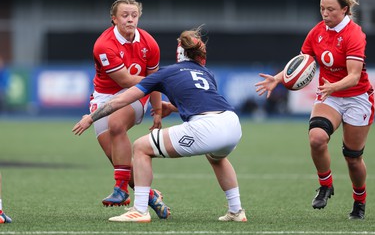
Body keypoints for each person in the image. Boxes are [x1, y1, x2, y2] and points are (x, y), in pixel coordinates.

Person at [73, 26, 247, 223]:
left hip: (206, 127)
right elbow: (200, 101)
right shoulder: (207, 74)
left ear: (179, 52)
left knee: (140, 147)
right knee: (217, 159)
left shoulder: (166, 72)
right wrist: (171, 108)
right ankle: (236, 210)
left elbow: (121, 100)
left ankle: (139, 210)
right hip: (231, 123)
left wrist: (91, 117)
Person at [255, 0, 374, 220]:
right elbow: (301, 63)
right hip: (330, 96)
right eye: (321, 8)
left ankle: (359, 202)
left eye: (330, 9)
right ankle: (325, 185)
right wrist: (278, 79)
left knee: (352, 158)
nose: (325, 13)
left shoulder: (355, 34)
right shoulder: (317, 31)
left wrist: (333, 86)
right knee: (317, 138)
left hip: (357, 98)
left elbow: (354, 75)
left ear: (345, 9)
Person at [89, 0, 169, 218]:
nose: (130, 19)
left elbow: (148, 83)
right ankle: (151, 195)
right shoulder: (104, 45)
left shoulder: (149, 43)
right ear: (114, 19)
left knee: (116, 124)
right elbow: (125, 79)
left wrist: (158, 111)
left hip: (136, 94)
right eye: (124, 15)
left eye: (134, 15)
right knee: (116, 158)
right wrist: (157, 80)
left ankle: (121, 190)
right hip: (104, 97)